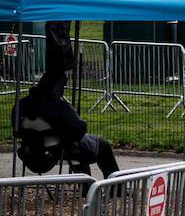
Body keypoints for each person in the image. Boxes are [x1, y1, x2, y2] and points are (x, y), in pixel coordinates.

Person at [14, 22, 120, 178]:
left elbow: (16, 130)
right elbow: (79, 129)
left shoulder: (22, 104)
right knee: (98, 146)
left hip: (30, 152)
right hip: (55, 152)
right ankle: (114, 187)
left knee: (74, 145)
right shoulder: (57, 106)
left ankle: (86, 187)